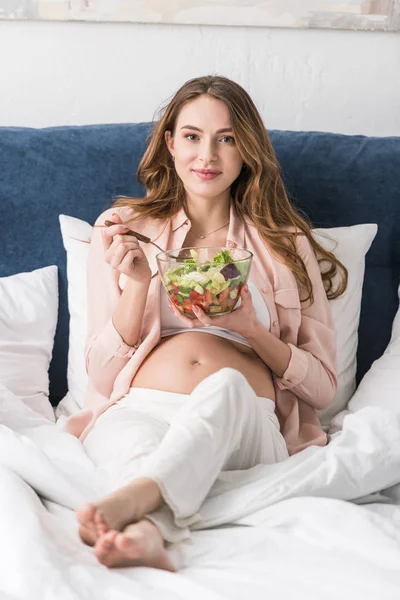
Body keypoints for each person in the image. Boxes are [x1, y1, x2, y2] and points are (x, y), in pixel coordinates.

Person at [69, 75, 348, 571]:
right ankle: (150, 528)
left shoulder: (284, 243)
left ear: (247, 151)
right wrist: (137, 285)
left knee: (225, 388)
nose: (208, 156)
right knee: (135, 449)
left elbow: (324, 388)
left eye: (227, 139)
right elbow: (100, 375)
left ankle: (138, 504)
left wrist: (253, 331)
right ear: (171, 144)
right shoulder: (124, 228)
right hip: (141, 406)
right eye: (193, 136)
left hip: (243, 416)